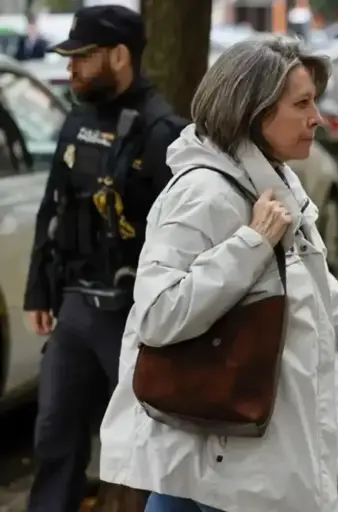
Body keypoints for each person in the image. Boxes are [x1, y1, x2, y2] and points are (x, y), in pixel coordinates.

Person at [99, 36, 338, 512]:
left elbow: (324, 298)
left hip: (230, 453)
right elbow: (159, 315)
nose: (317, 118)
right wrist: (251, 244)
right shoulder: (203, 193)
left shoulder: (274, 183)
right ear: (253, 111)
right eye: (302, 104)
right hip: (218, 457)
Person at [22, 5, 185, 511]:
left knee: (148, 450)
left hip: (132, 318)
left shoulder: (163, 132)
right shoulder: (77, 119)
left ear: (119, 56)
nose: (70, 69)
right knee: (54, 436)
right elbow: (53, 206)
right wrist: (38, 290)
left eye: (82, 58)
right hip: (74, 308)